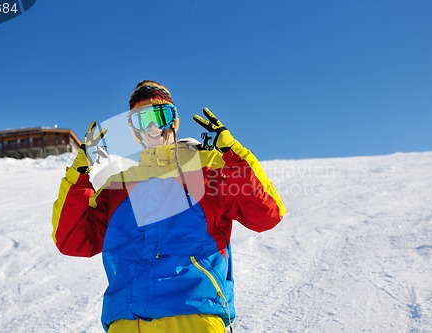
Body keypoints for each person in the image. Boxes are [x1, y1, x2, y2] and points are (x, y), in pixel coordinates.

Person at [51, 80, 286, 332]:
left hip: (193, 316)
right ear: (134, 130)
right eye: (142, 120)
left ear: (173, 120)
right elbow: (72, 240)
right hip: (127, 321)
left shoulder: (209, 169)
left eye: (160, 115)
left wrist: (233, 153)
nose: (152, 127)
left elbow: (266, 214)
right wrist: (79, 173)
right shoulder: (118, 186)